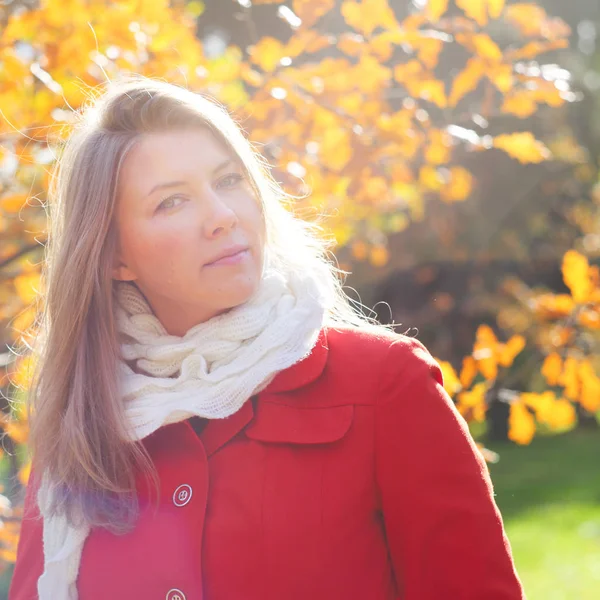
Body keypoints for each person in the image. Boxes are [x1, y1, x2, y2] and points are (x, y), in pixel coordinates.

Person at [9, 76, 525, 600]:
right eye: (172, 202)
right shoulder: (83, 424)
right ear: (114, 255)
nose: (223, 216)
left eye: (229, 180)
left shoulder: (384, 383)